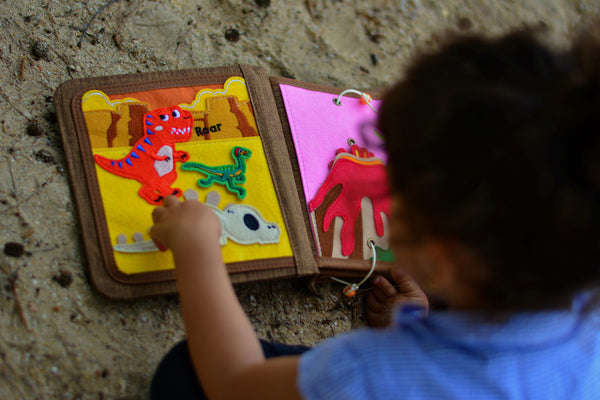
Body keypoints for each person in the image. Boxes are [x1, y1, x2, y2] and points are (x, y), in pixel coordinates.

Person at [150, 29, 600, 400]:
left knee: (184, 375)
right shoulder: (579, 266)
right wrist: (424, 323)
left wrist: (197, 249)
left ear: (441, 256)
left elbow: (233, 383)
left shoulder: (370, 375)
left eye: (396, 181)